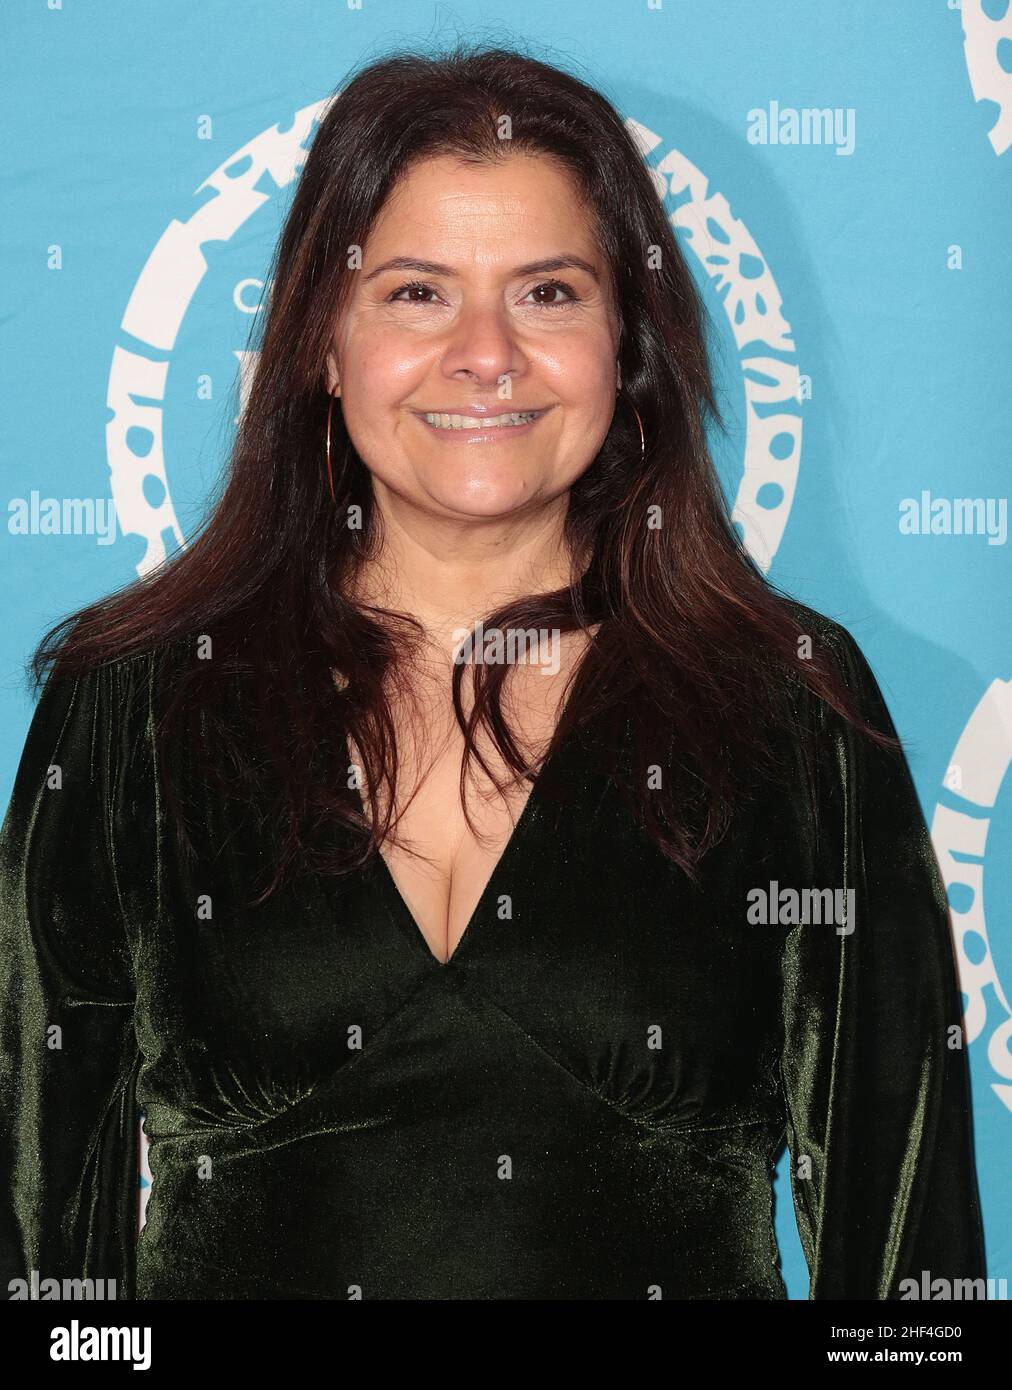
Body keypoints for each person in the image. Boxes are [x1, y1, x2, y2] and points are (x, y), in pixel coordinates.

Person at [0, 43, 985, 1300]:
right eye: (416, 293)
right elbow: (40, 1268)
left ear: (626, 346)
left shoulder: (788, 702)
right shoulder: (137, 700)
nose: (485, 354)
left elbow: (907, 1265)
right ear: (320, 342)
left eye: (548, 294)